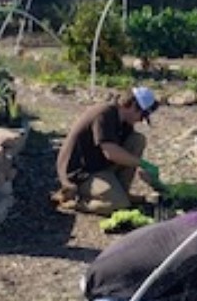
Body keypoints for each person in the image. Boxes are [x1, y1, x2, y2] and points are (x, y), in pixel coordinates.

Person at [56, 87, 164, 215]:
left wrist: (147, 173)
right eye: (143, 115)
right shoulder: (104, 114)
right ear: (133, 105)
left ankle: (122, 192)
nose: (141, 120)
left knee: (137, 140)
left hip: (98, 166)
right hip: (81, 173)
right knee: (118, 205)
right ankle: (74, 200)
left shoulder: (123, 120)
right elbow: (111, 152)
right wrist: (142, 164)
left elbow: (123, 150)